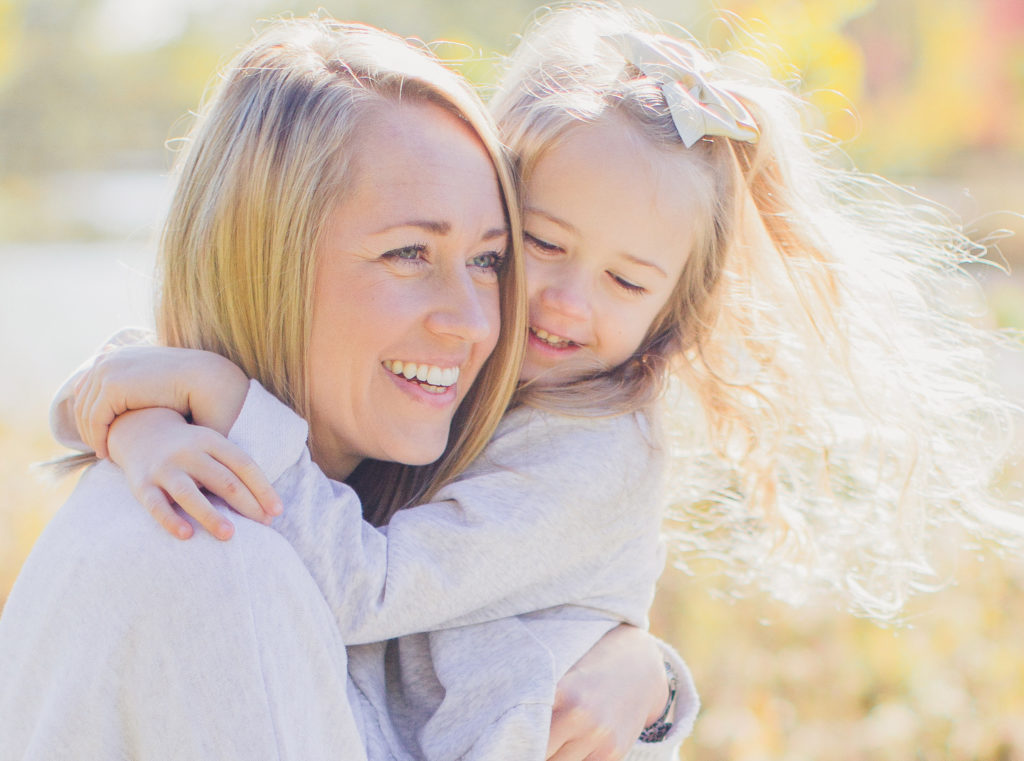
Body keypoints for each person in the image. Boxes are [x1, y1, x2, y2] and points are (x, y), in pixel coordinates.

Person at [0, 15, 683, 761]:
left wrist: (644, 672)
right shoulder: (216, 551)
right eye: (409, 252)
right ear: (262, 259)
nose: (473, 323)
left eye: (488, 261)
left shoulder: (337, 514)